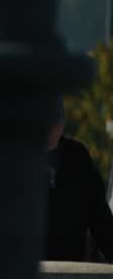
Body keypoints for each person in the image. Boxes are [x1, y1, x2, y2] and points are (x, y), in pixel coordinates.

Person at [44, 100, 113, 261]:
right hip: (26, 270)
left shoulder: (77, 156)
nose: (53, 128)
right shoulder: (18, 158)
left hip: (70, 270)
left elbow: (100, 216)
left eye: (57, 121)